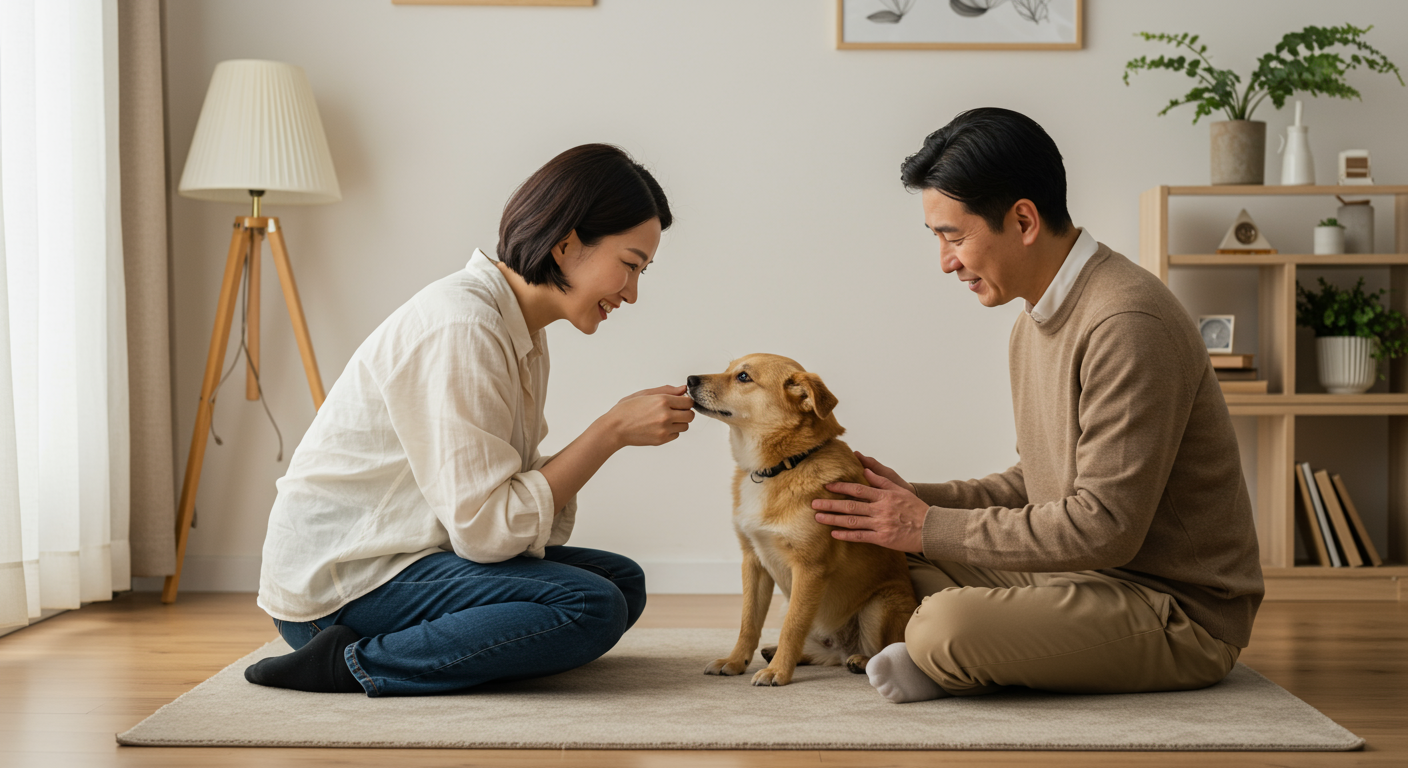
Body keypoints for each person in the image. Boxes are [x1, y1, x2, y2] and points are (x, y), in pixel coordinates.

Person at [810, 108, 1264, 703]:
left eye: (954, 235)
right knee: (881, 570)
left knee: (942, 624)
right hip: (1078, 576)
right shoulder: (1036, 318)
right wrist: (917, 504)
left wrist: (924, 525)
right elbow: (1037, 481)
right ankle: (947, 650)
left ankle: (943, 657)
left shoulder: (1125, 322)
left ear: (1023, 219)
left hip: (1172, 608)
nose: (945, 261)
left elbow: (1104, 528)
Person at [245, 144, 695, 696]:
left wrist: (614, 434)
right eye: (629, 265)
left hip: (410, 555)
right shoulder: (464, 326)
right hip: (343, 584)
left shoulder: (519, 329)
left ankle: (454, 652)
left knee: (620, 583)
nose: (631, 292)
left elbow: (500, 502)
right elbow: (487, 532)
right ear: (567, 243)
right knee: (590, 605)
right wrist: (609, 433)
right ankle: (353, 662)